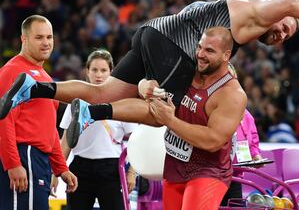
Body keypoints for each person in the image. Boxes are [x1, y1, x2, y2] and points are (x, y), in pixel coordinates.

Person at [0, 0, 299, 119]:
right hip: (172, 45)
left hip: (155, 32)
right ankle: (91, 116)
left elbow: (195, 13)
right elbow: (289, 4)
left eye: (288, 35)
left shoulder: (240, 23)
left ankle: (34, 88)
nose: (283, 33)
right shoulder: (258, 11)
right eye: (284, 27)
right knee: (163, 113)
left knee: (103, 90)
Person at [67, 26, 247, 210]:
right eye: (199, 47)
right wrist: (144, 85)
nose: (200, 54)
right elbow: (144, 82)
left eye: (209, 51)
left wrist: (170, 120)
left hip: (208, 171)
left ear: (226, 55)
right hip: (174, 167)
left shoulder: (231, 95)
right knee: (152, 104)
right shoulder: (187, 68)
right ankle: (93, 112)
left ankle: (95, 112)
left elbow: (213, 141)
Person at [0, 15, 77, 210]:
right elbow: (3, 120)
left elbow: (49, 129)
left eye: (49, 37)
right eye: (39, 37)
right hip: (24, 157)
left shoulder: (45, 77)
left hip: (39, 161)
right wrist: (13, 164)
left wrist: (60, 167)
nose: (46, 43)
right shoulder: (13, 72)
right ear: (24, 39)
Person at [52, 49, 138, 210]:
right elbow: (65, 142)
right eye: (95, 70)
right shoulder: (75, 103)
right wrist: (57, 171)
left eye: (104, 70)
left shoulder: (121, 102)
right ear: (87, 72)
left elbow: (136, 140)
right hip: (79, 170)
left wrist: (132, 172)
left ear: (111, 72)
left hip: (111, 170)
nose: (99, 75)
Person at [221, 109, 262, 206]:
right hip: (216, 175)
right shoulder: (218, 110)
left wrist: (256, 155)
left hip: (236, 176)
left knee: (236, 206)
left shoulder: (246, 114)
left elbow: (253, 137)